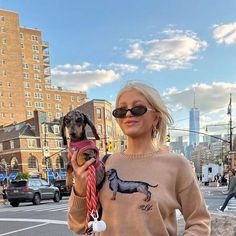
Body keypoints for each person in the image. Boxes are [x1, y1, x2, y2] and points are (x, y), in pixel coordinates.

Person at [67, 81, 210, 235]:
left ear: (156, 117)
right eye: (121, 110)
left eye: (137, 109)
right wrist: (81, 188)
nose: (128, 114)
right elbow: (79, 225)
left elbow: (199, 221)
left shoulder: (177, 165)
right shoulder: (103, 164)